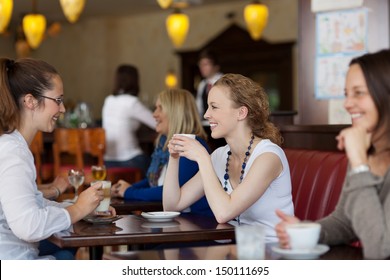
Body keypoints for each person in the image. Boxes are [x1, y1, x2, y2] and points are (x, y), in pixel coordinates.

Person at [275, 50, 390, 260]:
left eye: (359, 93)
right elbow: (345, 221)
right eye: (347, 94)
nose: (347, 103)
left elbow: (380, 251)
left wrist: (359, 165)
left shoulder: (359, 158)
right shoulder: (366, 152)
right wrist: (306, 231)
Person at [0, 57, 115, 260]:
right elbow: (28, 225)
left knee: (66, 251)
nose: (62, 109)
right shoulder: (13, 152)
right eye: (58, 100)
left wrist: (82, 209)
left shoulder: (13, 146)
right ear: (30, 101)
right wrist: (76, 209)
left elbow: (32, 205)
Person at [163, 73, 294, 242]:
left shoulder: (268, 157)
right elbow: (172, 205)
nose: (206, 115)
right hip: (236, 250)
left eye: (214, 107)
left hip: (272, 252)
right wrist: (174, 157)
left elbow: (223, 213)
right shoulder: (220, 156)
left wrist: (203, 158)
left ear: (241, 113)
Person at [111, 88, 212, 217]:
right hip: (176, 218)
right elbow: (152, 181)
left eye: (160, 108)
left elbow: (168, 193)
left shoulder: (192, 145)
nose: (154, 114)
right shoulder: (163, 143)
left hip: (197, 222)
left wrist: (129, 191)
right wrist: (123, 188)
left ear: (175, 113)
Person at [102, 64, 156, 174]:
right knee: (158, 164)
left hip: (107, 161)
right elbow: (157, 123)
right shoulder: (132, 102)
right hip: (130, 160)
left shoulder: (108, 100)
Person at [195, 50, 223, 120]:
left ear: (215, 66)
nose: (202, 68)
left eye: (205, 64)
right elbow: (199, 108)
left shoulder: (223, 81)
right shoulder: (202, 85)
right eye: (200, 65)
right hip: (206, 123)